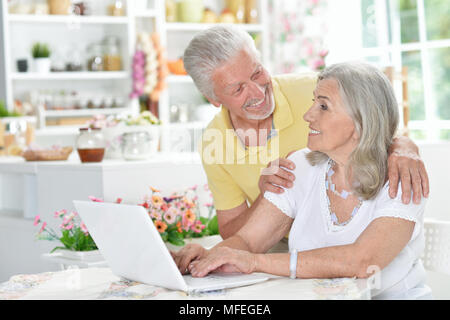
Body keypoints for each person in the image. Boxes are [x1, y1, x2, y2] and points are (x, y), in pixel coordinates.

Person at [173, 61, 433, 300]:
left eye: (323, 106)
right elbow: (249, 241)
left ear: (361, 118)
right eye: (313, 103)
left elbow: (362, 261)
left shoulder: (403, 176)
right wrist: (207, 258)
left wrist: (255, 262)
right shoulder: (300, 165)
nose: (308, 115)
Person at [183, 25, 429, 242]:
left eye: (257, 72)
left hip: (355, 238)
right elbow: (231, 232)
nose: (258, 92)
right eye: (238, 89)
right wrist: (264, 196)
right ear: (214, 99)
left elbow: (377, 124)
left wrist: (404, 147)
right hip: (283, 248)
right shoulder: (213, 141)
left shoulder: (313, 91)